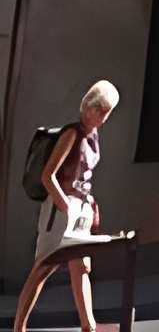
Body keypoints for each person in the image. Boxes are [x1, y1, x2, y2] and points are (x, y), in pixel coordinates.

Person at [12, 81, 118, 332]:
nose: (105, 117)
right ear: (89, 108)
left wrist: (87, 206)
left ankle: (88, 325)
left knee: (80, 266)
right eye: (102, 110)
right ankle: (19, 327)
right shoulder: (72, 134)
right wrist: (63, 205)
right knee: (44, 268)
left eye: (107, 112)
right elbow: (48, 175)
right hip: (60, 210)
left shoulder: (93, 137)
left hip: (79, 209)